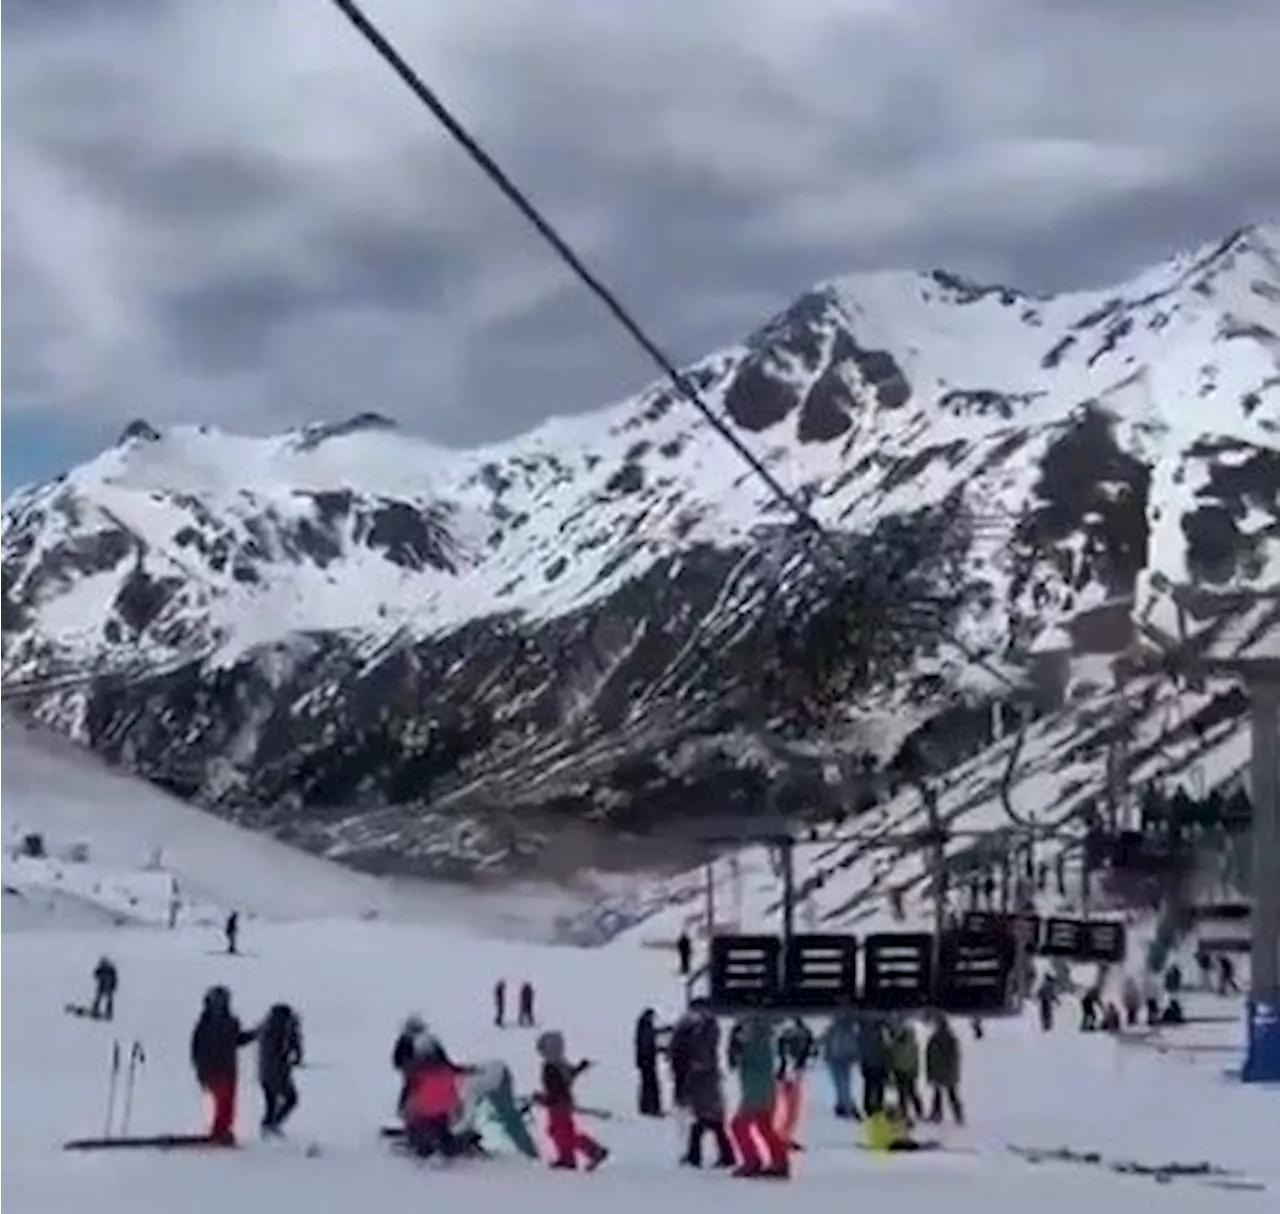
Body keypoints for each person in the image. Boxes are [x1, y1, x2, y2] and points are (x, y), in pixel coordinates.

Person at [669, 1001, 733, 1169]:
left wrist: (699, 1063)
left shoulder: (707, 1030)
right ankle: (723, 1156)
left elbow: (706, 1052)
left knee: (704, 1123)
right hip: (702, 1081)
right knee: (712, 1124)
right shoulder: (700, 1028)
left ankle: (697, 1156)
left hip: (705, 1082)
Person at [190, 986, 257, 1144]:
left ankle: (223, 1130)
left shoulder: (231, 1022)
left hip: (229, 1068)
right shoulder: (204, 1024)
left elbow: (237, 1040)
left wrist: (255, 1034)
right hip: (213, 1069)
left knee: (228, 1103)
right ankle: (219, 1131)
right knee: (222, 1100)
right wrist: (201, 1070)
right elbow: (197, 1049)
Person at [535, 1030, 607, 1171]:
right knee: (556, 1131)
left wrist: (543, 1099)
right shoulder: (560, 1064)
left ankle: (572, 1158)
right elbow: (569, 1078)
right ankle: (589, 1151)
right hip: (562, 1102)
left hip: (558, 1105)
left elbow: (556, 1090)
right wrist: (580, 1068)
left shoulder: (551, 1067)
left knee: (562, 1133)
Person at [728, 1015, 787, 1179]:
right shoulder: (763, 1042)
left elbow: (740, 1061)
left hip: (756, 1092)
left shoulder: (757, 1044)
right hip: (763, 1091)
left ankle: (752, 1161)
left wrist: (737, 1046)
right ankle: (779, 1162)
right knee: (764, 1127)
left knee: (739, 1125)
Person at [257, 1003, 303, 1136]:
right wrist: (293, 1059)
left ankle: (268, 1127)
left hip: (264, 1072)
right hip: (278, 1072)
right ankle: (272, 1126)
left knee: (271, 1102)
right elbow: (291, 1047)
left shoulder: (267, 1026)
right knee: (291, 1099)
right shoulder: (285, 1027)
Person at [923, 1015, 963, 1125]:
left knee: (948, 1094)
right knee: (941, 1094)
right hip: (942, 1071)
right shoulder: (944, 1038)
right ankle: (941, 1114)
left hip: (943, 1071)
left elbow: (953, 1057)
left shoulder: (941, 1039)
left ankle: (954, 1115)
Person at [822, 1013, 860, 1119]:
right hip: (841, 1059)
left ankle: (845, 1106)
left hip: (838, 1059)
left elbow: (826, 1041)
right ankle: (843, 1104)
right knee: (842, 1084)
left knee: (841, 1084)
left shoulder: (837, 1029)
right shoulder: (848, 1030)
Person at [889, 1021, 923, 1123]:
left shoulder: (900, 1043)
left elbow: (915, 1058)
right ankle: (909, 1111)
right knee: (905, 1092)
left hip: (904, 1070)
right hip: (903, 1070)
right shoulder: (899, 1042)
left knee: (908, 1092)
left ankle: (914, 1111)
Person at [634, 1009, 662, 1117]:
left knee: (646, 1085)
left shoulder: (642, 1027)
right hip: (648, 1061)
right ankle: (652, 1108)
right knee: (651, 1085)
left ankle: (646, 1107)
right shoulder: (646, 1027)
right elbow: (648, 1041)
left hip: (644, 1061)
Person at [91, 957, 118, 1021]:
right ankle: (96, 1010)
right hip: (102, 986)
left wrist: (113, 986)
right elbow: (95, 974)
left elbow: (115, 979)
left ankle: (108, 1012)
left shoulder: (111, 969)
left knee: (108, 1000)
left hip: (108, 987)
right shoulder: (102, 969)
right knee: (98, 998)